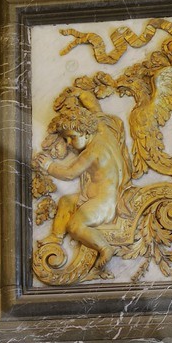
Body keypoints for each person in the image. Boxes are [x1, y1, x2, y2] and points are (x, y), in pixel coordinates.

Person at [34, 92, 128, 275]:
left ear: (86, 133)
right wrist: (80, 94)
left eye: (72, 137)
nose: (68, 143)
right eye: (66, 138)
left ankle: (104, 248)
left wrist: (48, 165)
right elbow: (96, 110)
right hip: (93, 197)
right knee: (66, 202)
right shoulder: (103, 131)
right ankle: (56, 236)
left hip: (104, 204)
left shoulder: (92, 152)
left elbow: (69, 174)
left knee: (75, 226)